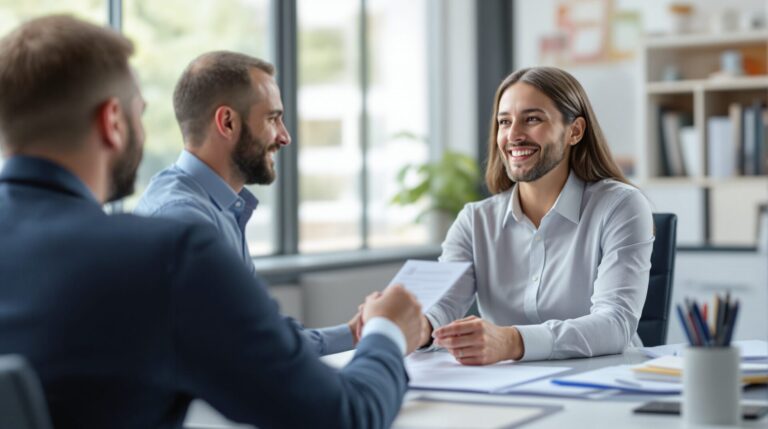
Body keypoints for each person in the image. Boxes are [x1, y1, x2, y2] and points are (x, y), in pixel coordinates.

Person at [0, 15, 424, 429]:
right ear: (113, 122)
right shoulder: (170, 252)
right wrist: (386, 333)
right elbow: (343, 416)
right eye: (139, 113)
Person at [420, 67, 654, 364]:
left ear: (575, 131)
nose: (513, 135)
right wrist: (413, 327)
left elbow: (615, 324)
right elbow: (441, 307)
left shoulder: (621, 206)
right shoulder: (474, 221)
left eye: (532, 119)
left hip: (603, 382)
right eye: (504, 122)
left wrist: (511, 341)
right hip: (506, 388)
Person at [135, 51, 359, 356]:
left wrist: (355, 333)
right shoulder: (185, 221)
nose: (285, 137)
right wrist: (373, 336)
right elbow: (253, 346)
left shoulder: (218, 208)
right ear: (227, 122)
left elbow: (260, 332)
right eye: (273, 118)